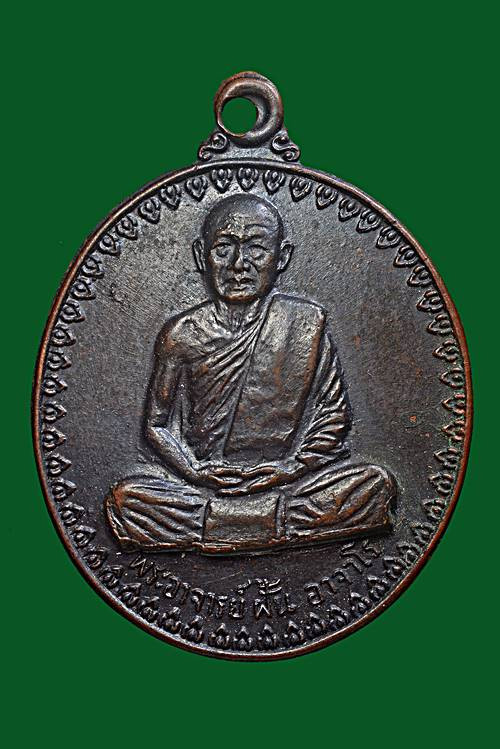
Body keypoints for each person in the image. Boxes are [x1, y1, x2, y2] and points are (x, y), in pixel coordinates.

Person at [105, 194, 396, 553]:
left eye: (256, 248)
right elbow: (157, 425)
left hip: (286, 483)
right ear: (201, 255)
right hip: (205, 488)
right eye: (223, 248)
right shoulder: (181, 334)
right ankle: (272, 526)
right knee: (127, 500)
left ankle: (220, 529)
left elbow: (333, 416)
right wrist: (195, 472)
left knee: (374, 485)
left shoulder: (305, 323)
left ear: (281, 257)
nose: (238, 264)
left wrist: (288, 469)